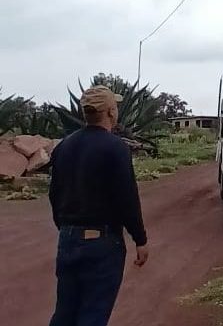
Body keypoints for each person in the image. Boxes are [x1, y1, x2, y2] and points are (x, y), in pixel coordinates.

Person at [48, 85, 149, 326]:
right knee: (93, 314)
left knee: (64, 313)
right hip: (102, 243)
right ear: (111, 112)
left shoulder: (64, 146)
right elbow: (127, 199)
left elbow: (54, 194)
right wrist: (140, 239)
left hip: (68, 239)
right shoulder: (115, 148)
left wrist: (65, 228)